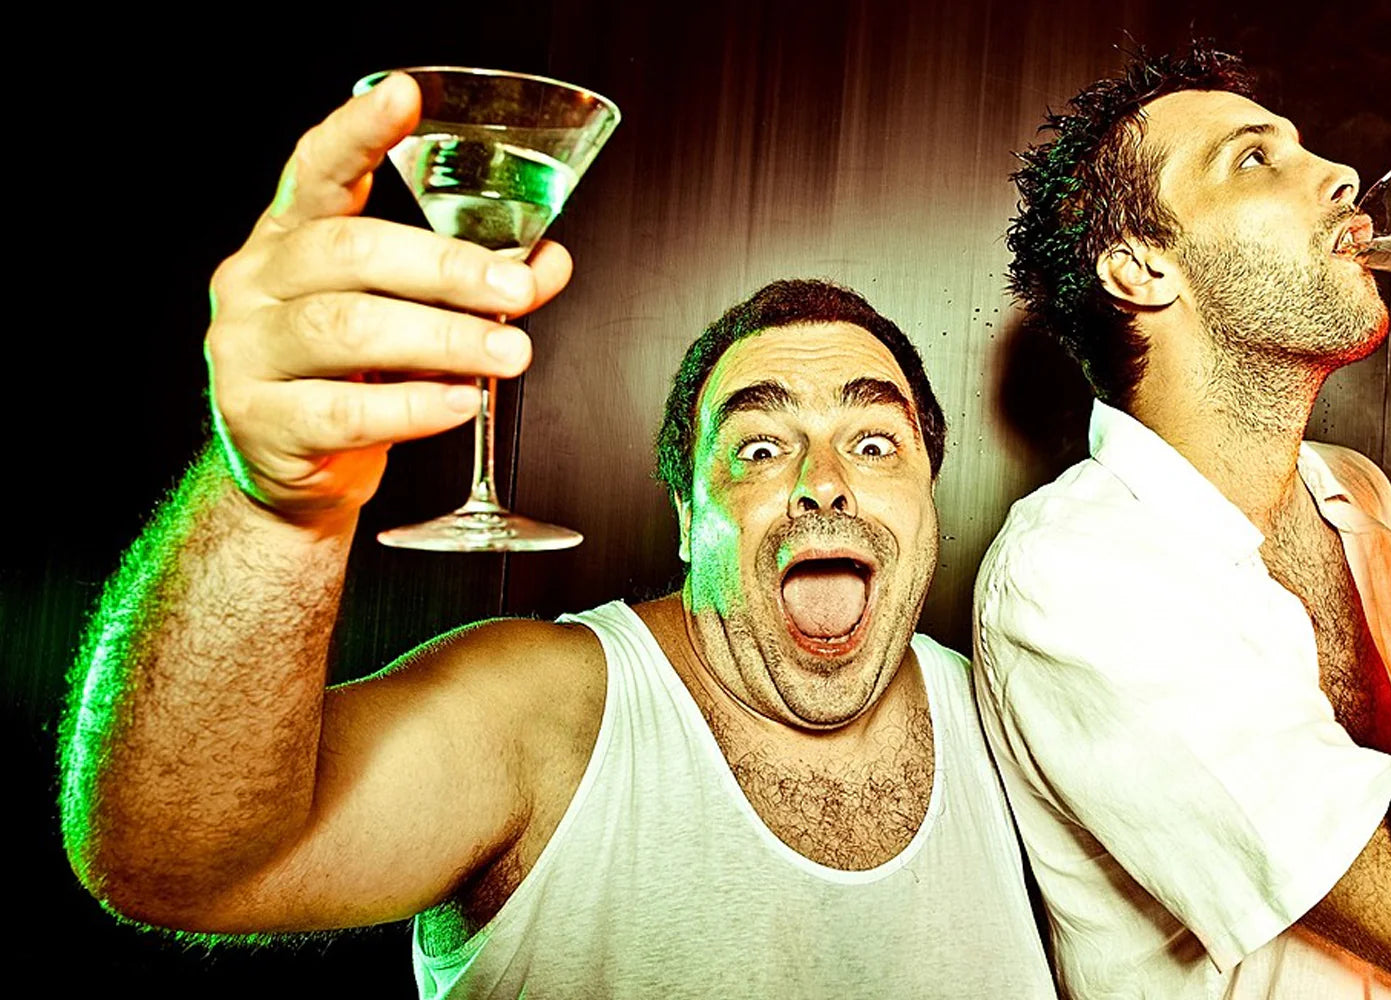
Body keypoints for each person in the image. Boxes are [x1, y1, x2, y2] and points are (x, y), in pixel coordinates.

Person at [59, 73, 1054, 999]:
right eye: (756, 449)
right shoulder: (548, 711)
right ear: (683, 517)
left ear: (929, 501)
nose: (822, 485)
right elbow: (176, 856)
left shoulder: (1017, 718)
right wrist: (271, 504)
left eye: (873, 441)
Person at [973, 45, 1391, 1000]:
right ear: (1142, 268)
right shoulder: (1075, 574)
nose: (1342, 174)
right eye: (1254, 159)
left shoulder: (1359, 494)